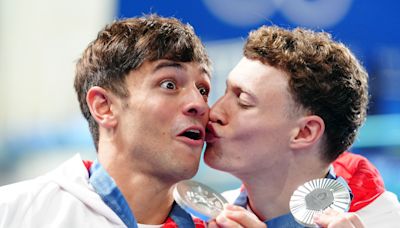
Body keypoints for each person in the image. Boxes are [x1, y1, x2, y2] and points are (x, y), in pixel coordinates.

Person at [0, 15, 211, 227]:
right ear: (104, 107)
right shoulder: (14, 212)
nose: (200, 104)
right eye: (168, 84)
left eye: (202, 90)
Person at [204, 25, 400, 227]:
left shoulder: (383, 221)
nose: (215, 111)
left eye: (243, 101)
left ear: (305, 132)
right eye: (225, 92)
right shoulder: (207, 215)